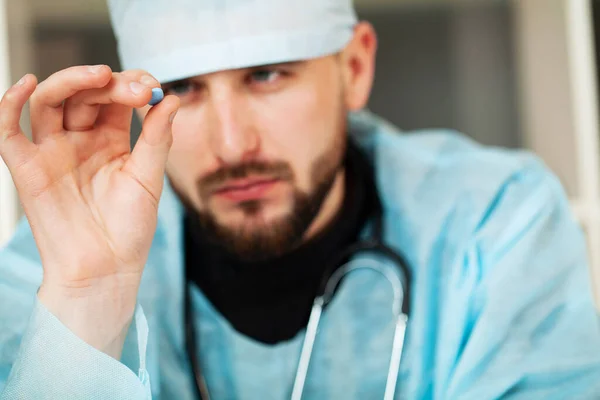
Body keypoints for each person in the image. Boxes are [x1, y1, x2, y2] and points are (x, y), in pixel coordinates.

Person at [1, 0, 600, 398]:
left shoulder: (495, 221)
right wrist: (87, 307)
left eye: (267, 76)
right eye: (182, 88)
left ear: (355, 67)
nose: (232, 146)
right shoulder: (54, 265)